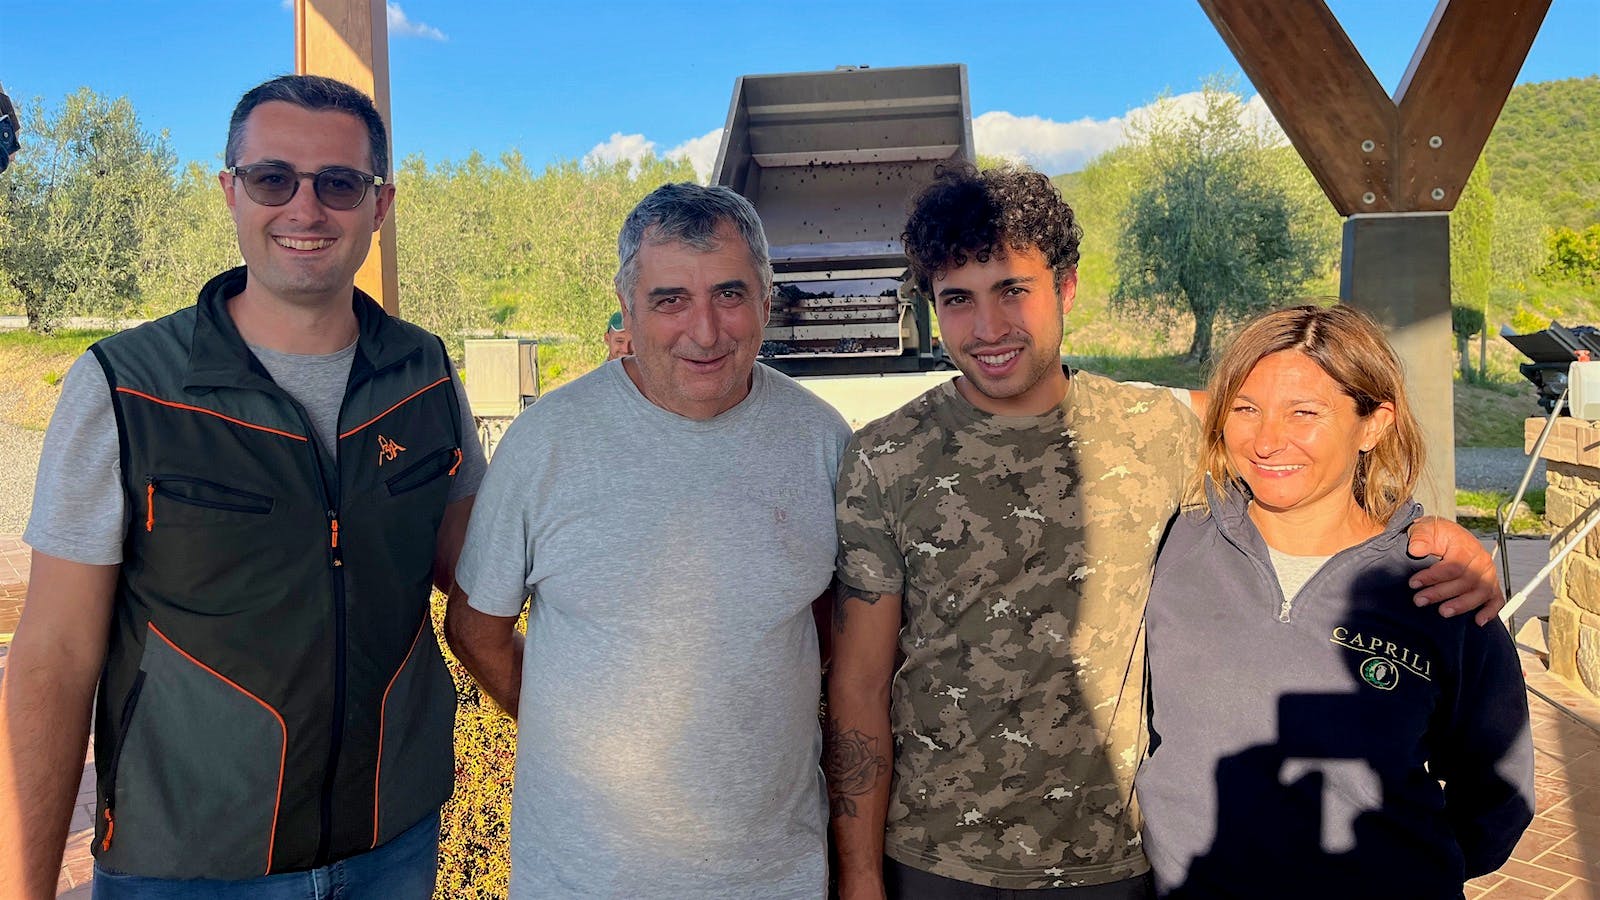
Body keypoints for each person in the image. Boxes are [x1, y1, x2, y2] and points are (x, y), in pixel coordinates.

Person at [826, 164, 1503, 899]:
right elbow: (859, 685)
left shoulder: (1157, 433)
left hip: (1114, 861)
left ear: (1066, 287)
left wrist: (1422, 535)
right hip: (935, 859)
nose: (988, 328)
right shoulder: (888, 456)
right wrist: (861, 875)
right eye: (958, 299)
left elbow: (1294, 436)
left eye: (1013, 290)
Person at [0, 74, 485, 898]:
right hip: (187, 866)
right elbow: (52, 657)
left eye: (339, 183)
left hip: (393, 844)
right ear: (230, 192)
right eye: (273, 179)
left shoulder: (424, 373)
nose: (306, 209)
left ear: (381, 205)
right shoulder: (127, 387)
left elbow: (480, 571)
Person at [443, 183, 852, 898]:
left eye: (730, 294)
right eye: (670, 299)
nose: (705, 331)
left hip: (774, 876)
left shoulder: (821, 439)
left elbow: (834, 633)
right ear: (627, 306)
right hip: (584, 879)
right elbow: (476, 629)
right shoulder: (548, 443)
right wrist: (574, 737)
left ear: (766, 298)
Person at [1137, 305, 1533, 897]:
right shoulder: (1172, 548)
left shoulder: (1438, 590)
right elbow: (1069, 402)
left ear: (1374, 424)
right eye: (1246, 409)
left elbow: (1498, 790)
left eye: (1305, 412)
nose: (1269, 441)